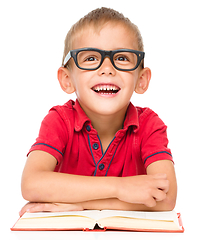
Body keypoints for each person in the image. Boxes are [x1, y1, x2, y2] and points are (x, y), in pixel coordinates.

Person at [20, 7, 177, 216]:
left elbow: (166, 198)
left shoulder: (150, 125)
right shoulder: (59, 120)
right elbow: (31, 183)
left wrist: (83, 204)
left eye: (121, 58)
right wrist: (120, 188)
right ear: (67, 80)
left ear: (141, 80)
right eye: (90, 58)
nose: (107, 68)